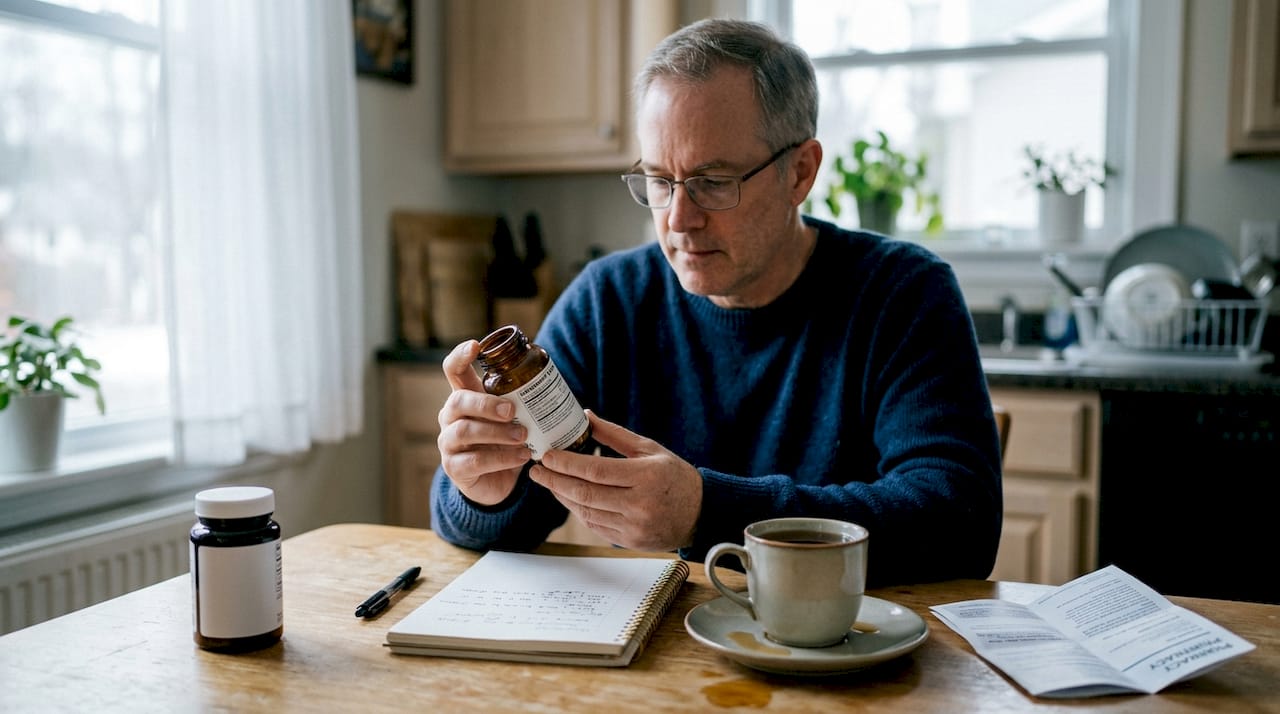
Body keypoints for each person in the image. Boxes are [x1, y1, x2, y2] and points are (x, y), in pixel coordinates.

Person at [430, 18, 1002, 587]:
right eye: (659, 181)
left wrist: (708, 510)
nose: (679, 219)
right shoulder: (607, 301)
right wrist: (484, 492)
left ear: (800, 172)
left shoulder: (903, 293)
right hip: (656, 651)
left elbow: (959, 526)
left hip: (848, 652)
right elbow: (508, 520)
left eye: (713, 181)